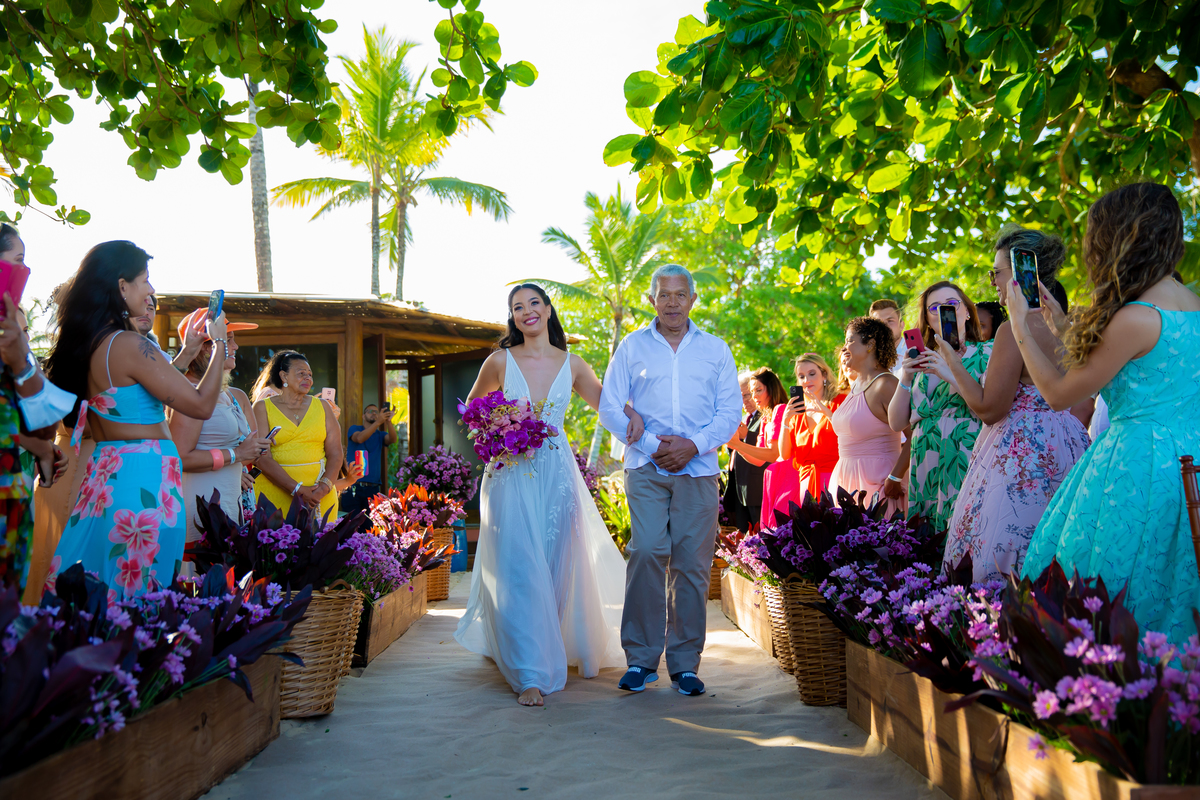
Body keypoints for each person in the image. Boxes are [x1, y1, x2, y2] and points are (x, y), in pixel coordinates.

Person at [1015, 183, 1200, 645]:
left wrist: (1020, 327)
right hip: (1191, 461)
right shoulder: (1194, 305)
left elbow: (1059, 395)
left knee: (1109, 590)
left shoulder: (1136, 316)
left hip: (1137, 468)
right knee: (1175, 584)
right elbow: (1144, 372)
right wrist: (1062, 327)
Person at [455, 282, 639, 707]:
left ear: (549, 309)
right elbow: (471, 412)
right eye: (518, 307)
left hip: (557, 473)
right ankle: (530, 673)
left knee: (557, 563)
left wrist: (637, 417)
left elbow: (606, 405)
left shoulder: (573, 364)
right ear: (513, 317)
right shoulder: (499, 361)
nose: (527, 311)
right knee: (518, 567)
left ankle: (547, 644)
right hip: (509, 472)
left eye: (534, 303)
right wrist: (500, 424)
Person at [44, 241, 228, 598]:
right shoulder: (129, 344)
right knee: (141, 591)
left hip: (108, 475)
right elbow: (201, 405)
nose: (151, 289)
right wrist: (218, 343)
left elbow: (135, 395)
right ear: (122, 286)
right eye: (145, 279)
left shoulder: (93, 344)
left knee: (104, 582)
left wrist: (187, 353)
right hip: (144, 480)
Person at [599, 265, 742, 699]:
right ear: (652, 300)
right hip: (646, 467)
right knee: (646, 550)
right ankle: (641, 660)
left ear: (693, 299)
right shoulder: (632, 346)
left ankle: (684, 665)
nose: (673, 303)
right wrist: (650, 447)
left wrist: (692, 446)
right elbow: (610, 407)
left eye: (681, 295)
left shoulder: (716, 350)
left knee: (692, 566)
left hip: (699, 470)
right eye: (665, 294)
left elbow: (729, 413)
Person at [928, 227, 1089, 582]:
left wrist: (952, 362)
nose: (993, 282)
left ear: (1020, 272)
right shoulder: (1063, 325)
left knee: (1004, 558)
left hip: (1021, 453)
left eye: (996, 272)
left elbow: (990, 409)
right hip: (1068, 444)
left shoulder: (1013, 329)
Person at [0, 224, 70, 594]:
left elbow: (45, 416)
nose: (25, 272)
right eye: (18, 261)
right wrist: (41, 447)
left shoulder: (12, 332)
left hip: (15, 485)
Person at [167, 309, 272, 552]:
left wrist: (250, 451)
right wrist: (236, 454)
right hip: (200, 507)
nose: (235, 346)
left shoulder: (225, 394)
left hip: (227, 502)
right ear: (206, 348)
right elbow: (179, 458)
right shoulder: (189, 391)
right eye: (229, 339)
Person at [888, 281, 990, 531]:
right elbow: (897, 423)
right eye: (934, 308)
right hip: (925, 464)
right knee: (927, 540)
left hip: (966, 457)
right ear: (927, 319)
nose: (944, 311)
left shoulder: (988, 353)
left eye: (951, 304)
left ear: (967, 312)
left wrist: (949, 372)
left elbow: (990, 408)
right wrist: (906, 377)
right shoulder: (923, 359)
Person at [829, 318, 909, 516]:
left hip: (878, 483)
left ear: (870, 344)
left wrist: (895, 477)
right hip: (847, 480)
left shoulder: (886, 384)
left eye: (850, 341)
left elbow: (915, 435)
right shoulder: (856, 385)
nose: (844, 347)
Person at [251, 351, 344, 521]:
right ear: (284, 376)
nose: (308, 378)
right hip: (275, 495)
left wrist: (323, 488)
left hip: (319, 497)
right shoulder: (262, 407)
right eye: (301, 373)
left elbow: (336, 453)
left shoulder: (323, 406)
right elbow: (261, 457)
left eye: (310, 374)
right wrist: (297, 489)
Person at [724, 368, 794, 530]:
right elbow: (758, 460)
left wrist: (739, 445)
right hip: (771, 480)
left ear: (771, 388)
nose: (754, 396)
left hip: (787, 478)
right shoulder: (765, 417)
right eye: (752, 391)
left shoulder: (780, 410)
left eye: (758, 390)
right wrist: (735, 444)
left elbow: (774, 454)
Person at [779, 353, 846, 503]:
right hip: (806, 485)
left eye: (812, 374)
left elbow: (851, 437)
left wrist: (826, 412)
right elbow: (784, 455)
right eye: (801, 376)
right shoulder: (797, 412)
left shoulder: (840, 402)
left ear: (824, 375)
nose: (806, 380)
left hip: (835, 481)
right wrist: (785, 421)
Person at [721, 372, 766, 533]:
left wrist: (746, 435)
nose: (744, 401)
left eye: (747, 395)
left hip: (757, 490)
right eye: (739, 397)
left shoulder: (766, 416)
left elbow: (767, 450)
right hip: (740, 491)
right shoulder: (744, 419)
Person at [343, 402, 398, 516]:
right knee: (352, 523)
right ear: (363, 416)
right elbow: (359, 438)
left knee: (370, 523)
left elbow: (393, 439)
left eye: (376, 412)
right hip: (353, 486)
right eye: (370, 411)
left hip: (372, 488)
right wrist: (378, 422)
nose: (374, 414)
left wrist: (388, 421)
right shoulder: (354, 429)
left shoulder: (380, 435)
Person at [869, 299, 905, 374]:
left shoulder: (918, 354)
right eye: (879, 323)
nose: (885, 327)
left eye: (890, 321)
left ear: (901, 325)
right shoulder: (869, 358)